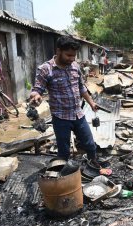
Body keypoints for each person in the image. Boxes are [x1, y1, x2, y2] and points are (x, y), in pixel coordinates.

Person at [30, 36, 101, 168]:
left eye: (74, 55)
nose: (72, 59)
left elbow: (81, 87)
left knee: (90, 144)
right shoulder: (46, 69)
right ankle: (64, 175)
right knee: (63, 151)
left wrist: (91, 103)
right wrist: (35, 96)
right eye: (68, 55)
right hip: (60, 117)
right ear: (58, 51)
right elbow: (37, 89)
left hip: (78, 114)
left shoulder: (75, 66)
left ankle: (93, 164)